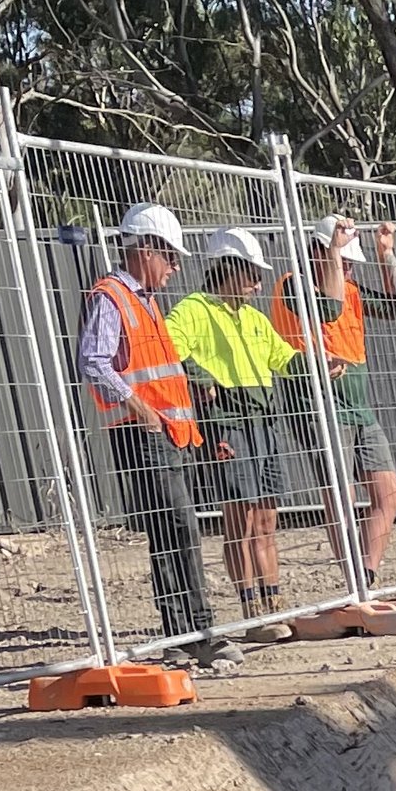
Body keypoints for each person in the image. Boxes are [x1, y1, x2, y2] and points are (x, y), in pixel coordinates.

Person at [75, 201, 236, 667]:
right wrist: (137, 405)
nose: (175, 267)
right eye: (171, 256)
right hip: (142, 432)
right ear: (145, 250)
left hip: (167, 434)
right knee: (178, 526)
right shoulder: (112, 297)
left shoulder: (144, 302)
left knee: (171, 530)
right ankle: (197, 630)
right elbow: (93, 361)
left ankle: (183, 634)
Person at [166, 228, 297, 635]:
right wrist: (198, 375)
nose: (258, 284)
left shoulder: (255, 318)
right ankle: (251, 612)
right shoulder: (191, 310)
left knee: (266, 518)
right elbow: (169, 346)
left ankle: (273, 602)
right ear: (228, 268)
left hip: (263, 422)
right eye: (251, 274)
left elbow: (284, 357)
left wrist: (316, 364)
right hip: (227, 424)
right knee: (239, 518)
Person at [274, 213, 396, 583]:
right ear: (320, 250)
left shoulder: (352, 290)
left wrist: (385, 255)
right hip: (318, 406)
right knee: (341, 495)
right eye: (343, 260)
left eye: (351, 262)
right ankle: (353, 581)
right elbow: (328, 308)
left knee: (391, 494)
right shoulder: (292, 285)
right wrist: (333, 252)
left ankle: (365, 575)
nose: (348, 269)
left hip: (358, 407)